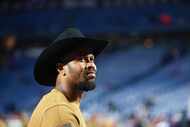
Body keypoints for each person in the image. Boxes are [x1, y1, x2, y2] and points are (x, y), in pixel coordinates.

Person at [27, 28, 109, 127]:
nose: (91, 65)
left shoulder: (63, 104)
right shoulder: (61, 112)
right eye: (81, 59)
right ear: (61, 68)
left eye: (91, 59)